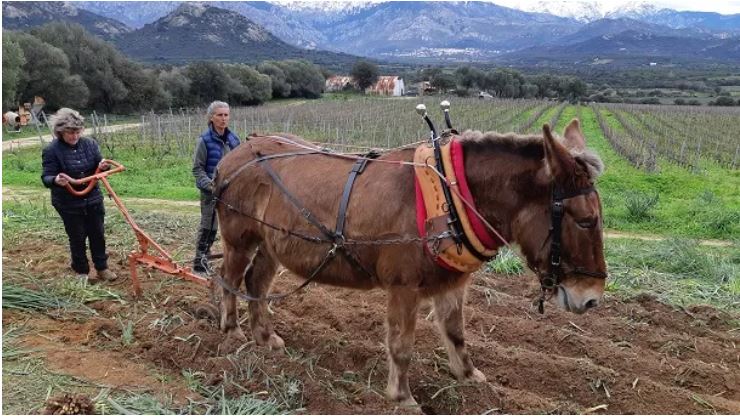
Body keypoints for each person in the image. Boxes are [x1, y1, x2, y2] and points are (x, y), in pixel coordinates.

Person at [41, 108, 117, 282]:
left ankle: (102, 268)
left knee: (97, 234)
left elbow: (100, 165)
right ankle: (81, 271)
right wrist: (55, 179)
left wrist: (104, 166)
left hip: (93, 198)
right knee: (77, 236)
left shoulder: (90, 144)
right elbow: (46, 177)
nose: (74, 136)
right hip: (68, 202)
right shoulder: (52, 150)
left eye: (77, 132)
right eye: (70, 133)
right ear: (60, 132)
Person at [192, 101, 241, 272]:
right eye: (219, 115)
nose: (223, 118)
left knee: (233, 227)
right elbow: (197, 169)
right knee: (209, 227)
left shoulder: (234, 140)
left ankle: (233, 260)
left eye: (226, 115)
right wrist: (210, 186)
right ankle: (200, 262)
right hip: (211, 193)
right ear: (211, 117)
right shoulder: (204, 141)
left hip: (230, 193)